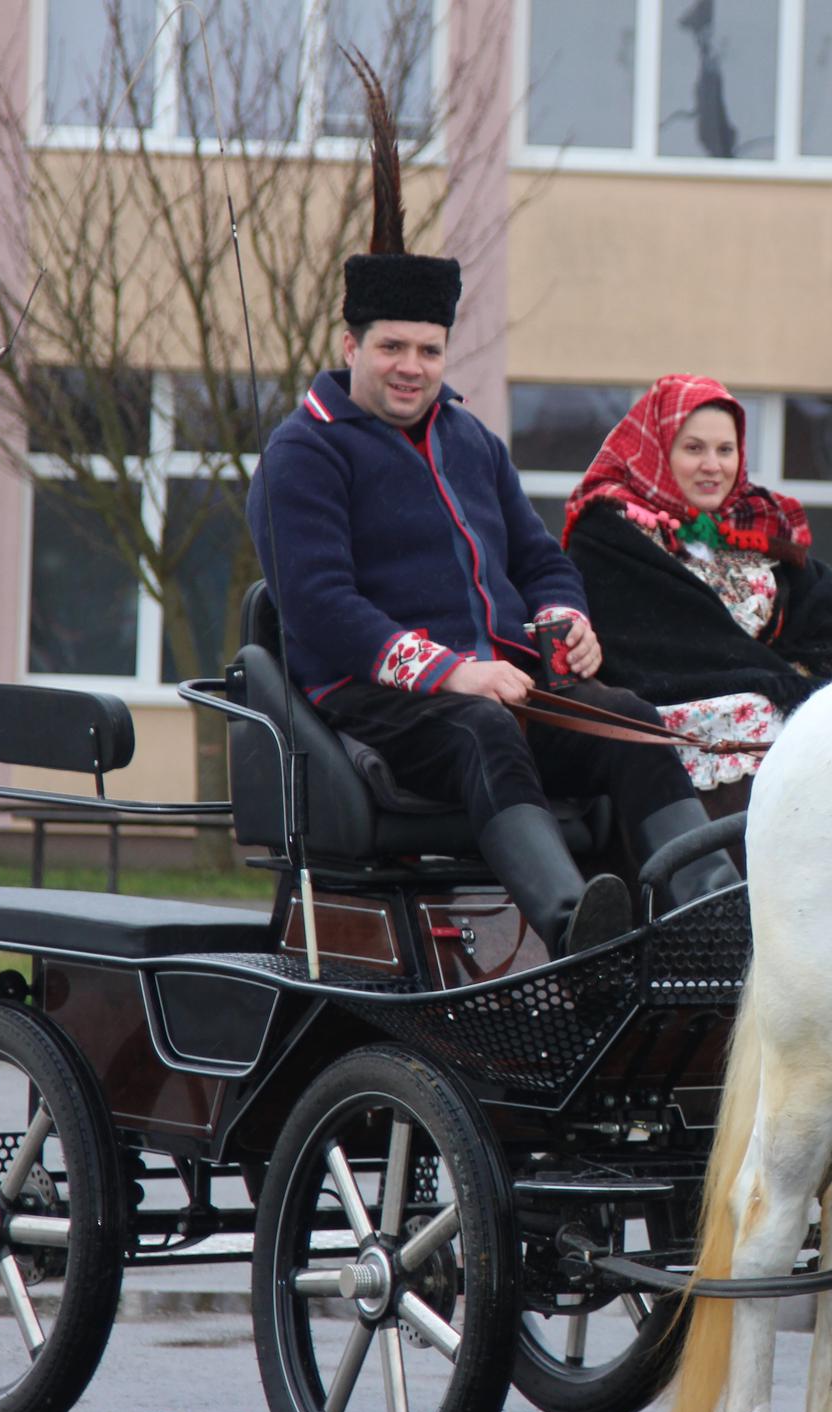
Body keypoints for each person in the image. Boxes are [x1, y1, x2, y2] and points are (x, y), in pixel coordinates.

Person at [244, 53, 735, 956]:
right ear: (349, 344)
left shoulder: (471, 440)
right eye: (391, 347)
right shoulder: (301, 453)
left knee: (630, 719)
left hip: (503, 686)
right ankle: (575, 931)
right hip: (375, 703)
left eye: (429, 351)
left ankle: (712, 922)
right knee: (480, 729)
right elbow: (319, 608)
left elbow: (539, 559)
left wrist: (566, 618)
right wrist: (453, 672)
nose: (412, 368)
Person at [560, 375, 832, 797]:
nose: (712, 465)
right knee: (768, 719)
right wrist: (773, 681)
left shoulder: (758, 523)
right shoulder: (611, 533)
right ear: (657, 451)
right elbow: (648, 648)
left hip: (772, 701)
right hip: (663, 719)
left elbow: (822, 632)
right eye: (693, 448)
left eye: (725, 450)